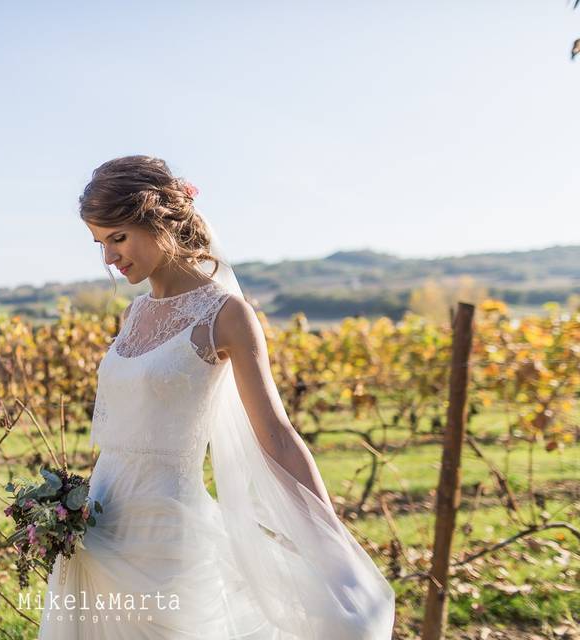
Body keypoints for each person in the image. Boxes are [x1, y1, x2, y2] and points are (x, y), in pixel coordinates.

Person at [35, 155, 395, 639]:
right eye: (100, 244)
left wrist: (328, 537)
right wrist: (64, 507)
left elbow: (277, 434)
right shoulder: (134, 316)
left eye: (117, 238)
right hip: (98, 527)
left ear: (159, 219)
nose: (109, 259)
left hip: (166, 537)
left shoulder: (227, 316)